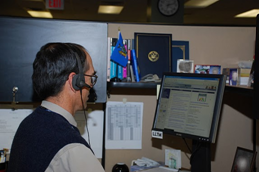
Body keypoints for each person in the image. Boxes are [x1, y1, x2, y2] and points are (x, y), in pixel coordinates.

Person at [8, 43, 105, 172]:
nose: (91, 86)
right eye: (90, 78)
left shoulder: (27, 125)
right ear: (75, 81)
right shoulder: (72, 148)